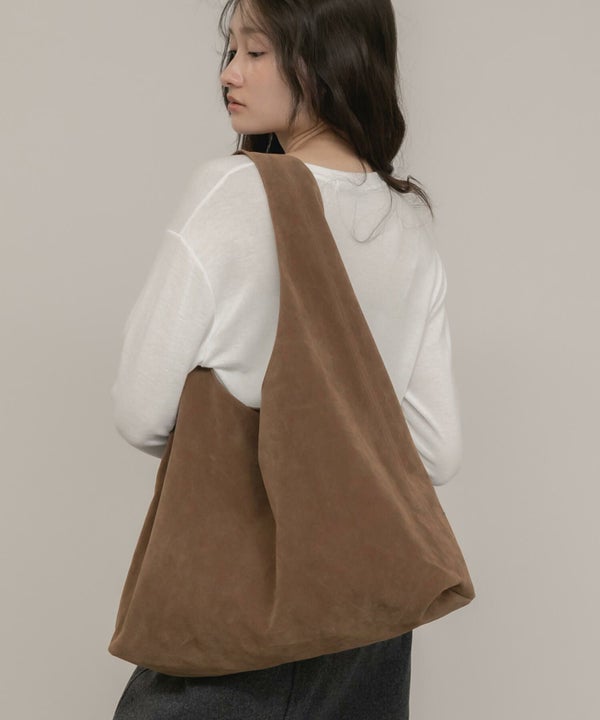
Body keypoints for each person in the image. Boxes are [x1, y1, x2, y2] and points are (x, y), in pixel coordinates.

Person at [110, 0, 462, 717]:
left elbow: (139, 412)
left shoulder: (233, 190)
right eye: (230, 50)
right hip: (365, 629)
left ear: (324, 58)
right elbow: (437, 451)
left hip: (233, 623)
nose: (229, 73)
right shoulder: (407, 223)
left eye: (255, 51)